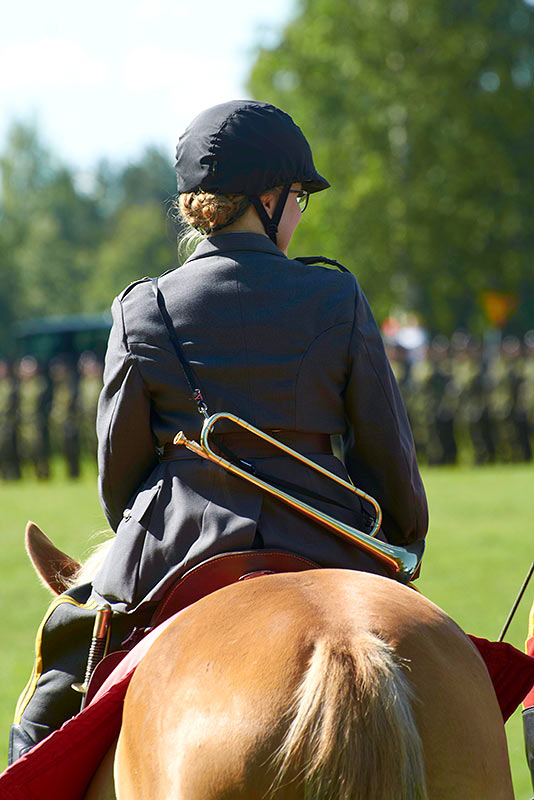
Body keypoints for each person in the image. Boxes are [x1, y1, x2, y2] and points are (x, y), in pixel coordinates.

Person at [10, 100, 428, 762]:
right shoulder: (337, 298)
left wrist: (145, 530)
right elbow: (389, 459)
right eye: (298, 199)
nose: (298, 215)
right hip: (329, 540)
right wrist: (403, 541)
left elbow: (118, 479)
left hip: (180, 546)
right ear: (268, 198)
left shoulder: (140, 307)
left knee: (48, 699)